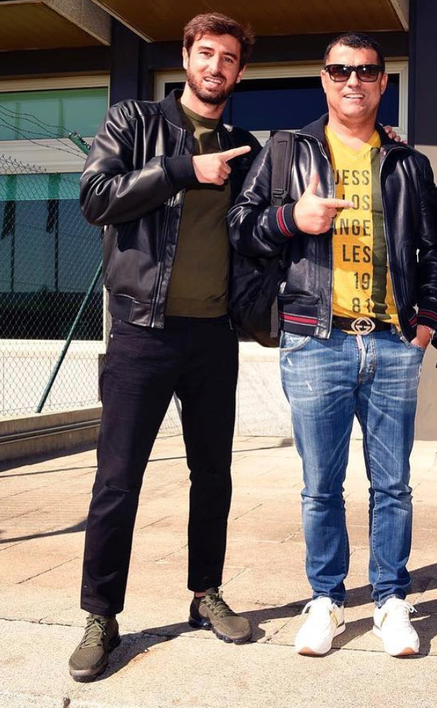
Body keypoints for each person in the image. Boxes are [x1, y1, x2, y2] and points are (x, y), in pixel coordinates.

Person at [227, 32, 437, 658]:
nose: (354, 81)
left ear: (383, 83)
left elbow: (432, 248)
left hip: (393, 342)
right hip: (314, 341)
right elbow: (240, 227)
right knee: (320, 485)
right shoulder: (287, 150)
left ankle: (390, 599)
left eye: (367, 71)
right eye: (341, 70)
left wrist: (427, 319)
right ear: (324, 79)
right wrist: (291, 219)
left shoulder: (407, 163)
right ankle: (325, 598)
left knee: (393, 485)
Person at [71, 12, 261, 681]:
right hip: (140, 332)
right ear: (186, 57)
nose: (216, 67)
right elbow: (96, 198)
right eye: (206, 53)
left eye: (229, 58)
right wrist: (181, 169)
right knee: (117, 480)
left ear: (239, 71)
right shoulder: (135, 121)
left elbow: (261, 228)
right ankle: (101, 615)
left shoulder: (245, 147)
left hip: (213, 336)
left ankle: (206, 592)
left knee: (213, 475)